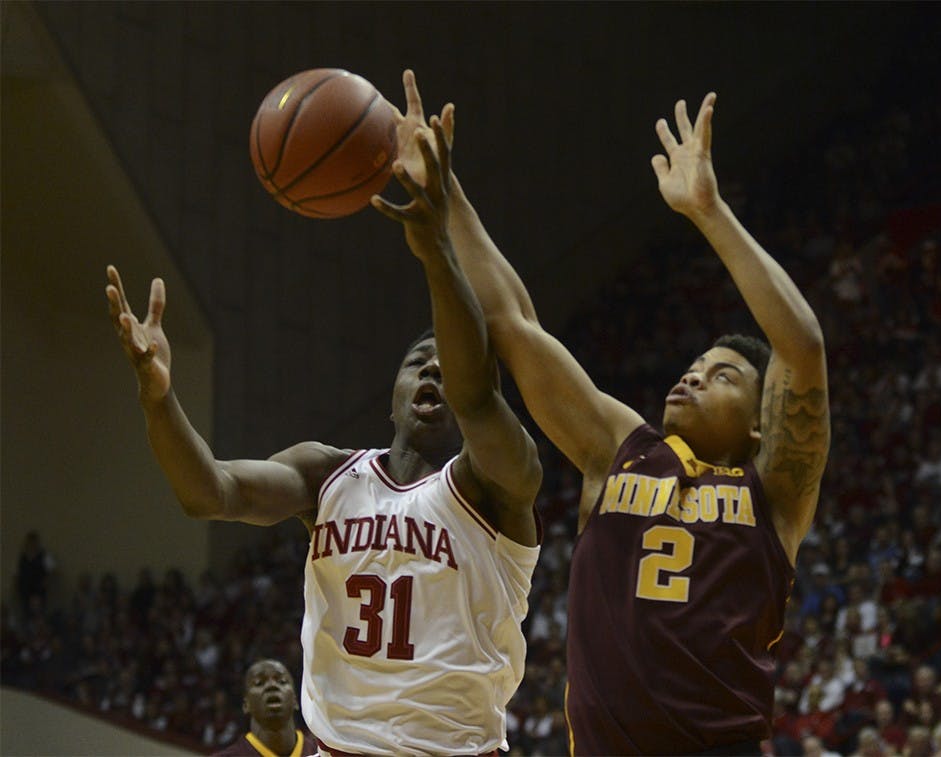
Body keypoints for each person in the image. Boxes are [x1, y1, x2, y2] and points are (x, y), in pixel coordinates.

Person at [388, 73, 829, 754]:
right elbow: (511, 322)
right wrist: (448, 196)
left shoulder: (774, 492)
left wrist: (709, 213)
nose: (694, 373)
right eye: (695, 364)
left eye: (723, 376)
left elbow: (801, 349)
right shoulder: (620, 446)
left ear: (760, 425)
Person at [105, 74, 542, 754]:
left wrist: (436, 248)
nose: (432, 368)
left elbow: (477, 393)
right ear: (391, 390)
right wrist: (159, 399)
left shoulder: (498, 486)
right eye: (414, 361)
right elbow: (208, 492)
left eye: (444, 358)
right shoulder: (327, 474)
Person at [213, 659, 318, 757]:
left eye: (282, 681)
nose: (272, 685)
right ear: (246, 705)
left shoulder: (325, 753)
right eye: (259, 683)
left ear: (295, 700)